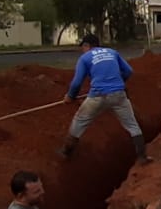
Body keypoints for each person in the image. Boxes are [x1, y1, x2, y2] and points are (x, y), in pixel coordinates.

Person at [58, 34, 150, 163]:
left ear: (87, 46)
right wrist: (119, 83)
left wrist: (70, 96)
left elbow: (76, 83)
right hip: (119, 95)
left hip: (97, 96)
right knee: (132, 125)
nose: (82, 50)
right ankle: (142, 156)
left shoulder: (85, 58)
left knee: (79, 121)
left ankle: (66, 151)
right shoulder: (112, 52)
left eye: (83, 47)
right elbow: (128, 71)